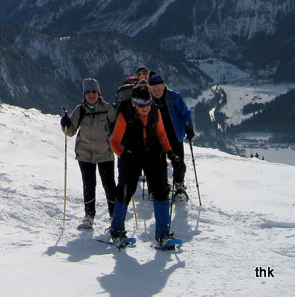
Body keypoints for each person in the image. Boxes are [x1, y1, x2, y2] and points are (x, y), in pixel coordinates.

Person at [108, 82, 180, 247]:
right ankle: (117, 230)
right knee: (126, 191)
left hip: (152, 154)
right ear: (133, 102)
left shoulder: (155, 112)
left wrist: (170, 152)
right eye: (141, 105)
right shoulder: (125, 114)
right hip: (132, 156)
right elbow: (115, 141)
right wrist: (123, 155)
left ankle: (163, 233)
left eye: (147, 103)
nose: (145, 108)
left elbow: (161, 134)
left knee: (161, 190)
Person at [60, 78, 116, 229]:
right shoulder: (80, 110)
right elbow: (70, 131)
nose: (91, 95)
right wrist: (65, 124)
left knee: (109, 185)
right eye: (88, 92)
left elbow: (116, 130)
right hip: (85, 153)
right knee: (89, 185)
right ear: (84, 94)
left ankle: (114, 216)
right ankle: (89, 215)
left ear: (99, 93)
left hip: (105, 152)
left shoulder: (108, 109)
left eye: (94, 92)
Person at [149, 73, 195, 200]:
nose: (157, 92)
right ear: (150, 89)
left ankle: (179, 185)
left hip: (174, 135)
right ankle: (161, 187)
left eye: (159, 88)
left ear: (164, 86)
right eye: (154, 90)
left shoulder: (173, 97)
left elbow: (185, 113)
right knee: (159, 164)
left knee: (178, 162)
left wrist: (189, 128)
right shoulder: (148, 101)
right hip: (157, 137)